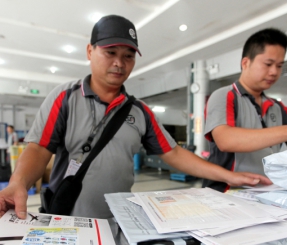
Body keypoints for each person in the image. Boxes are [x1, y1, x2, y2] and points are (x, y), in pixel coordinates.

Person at [0, 15, 271, 220]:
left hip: (118, 220)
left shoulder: (139, 111)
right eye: (110, 53)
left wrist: (229, 176)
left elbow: (173, 154)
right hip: (65, 218)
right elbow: (38, 148)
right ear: (90, 51)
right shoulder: (66, 98)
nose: (120, 63)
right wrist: (18, 182)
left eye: (128, 56)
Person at [203, 28, 287, 192]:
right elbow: (225, 140)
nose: (274, 72)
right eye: (268, 64)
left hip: (265, 191)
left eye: (279, 65)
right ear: (245, 63)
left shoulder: (276, 106)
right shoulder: (225, 95)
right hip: (226, 192)